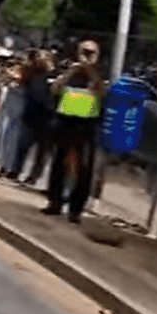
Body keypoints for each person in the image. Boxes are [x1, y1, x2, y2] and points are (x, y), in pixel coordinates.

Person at [44, 39, 107, 222]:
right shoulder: (70, 71)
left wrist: (89, 70)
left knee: (84, 168)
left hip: (86, 124)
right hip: (66, 120)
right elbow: (55, 90)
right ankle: (55, 202)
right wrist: (71, 71)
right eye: (84, 52)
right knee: (59, 163)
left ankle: (76, 209)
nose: (87, 56)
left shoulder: (98, 74)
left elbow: (101, 92)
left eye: (91, 53)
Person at [16, 49, 57, 187]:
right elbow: (23, 80)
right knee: (23, 145)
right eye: (38, 57)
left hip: (47, 119)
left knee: (42, 152)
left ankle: (33, 176)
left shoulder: (54, 76)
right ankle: (16, 170)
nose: (39, 59)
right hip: (30, 116)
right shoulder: (32, 73)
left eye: (42, 57)